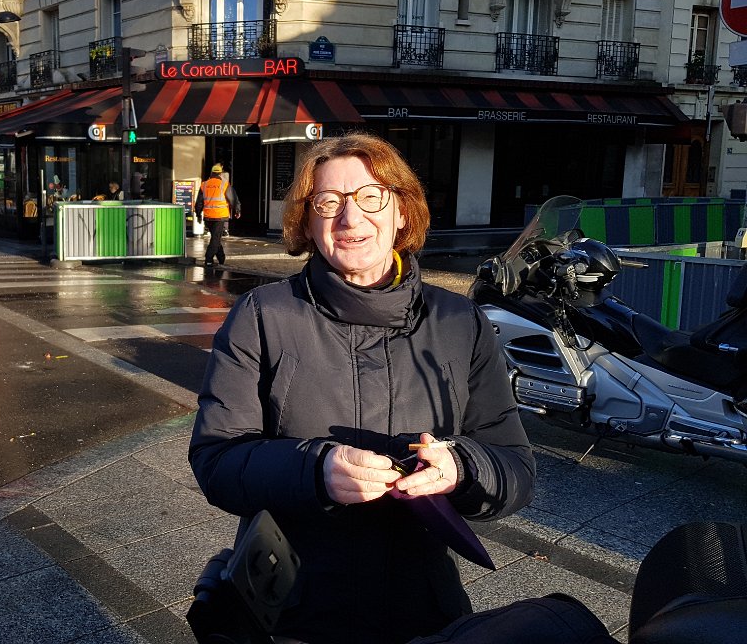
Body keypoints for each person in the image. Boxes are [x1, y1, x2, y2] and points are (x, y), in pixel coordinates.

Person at [189, 134, 535, 644]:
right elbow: (217, 459)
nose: (351, 219)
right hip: (296, 613)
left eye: (372, 197)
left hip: (424, 612)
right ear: (307, 222)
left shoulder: (460, 321)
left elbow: (516, 469)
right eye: (328, 203)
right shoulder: (262, 315)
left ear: (402, 211)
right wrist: (314, 470)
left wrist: (462, 468)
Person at [194, 163, 239, 266]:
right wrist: (237, 210)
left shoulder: (204, 185)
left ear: (211, 173)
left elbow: (199, 202)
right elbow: (233, 199)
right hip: (220, 216)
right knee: (215, 239)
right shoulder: (224, 184)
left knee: (216, 238)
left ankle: (221, 258)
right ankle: (209, 260)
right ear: (220, 174)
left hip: (208, 217)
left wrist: (198, 214)